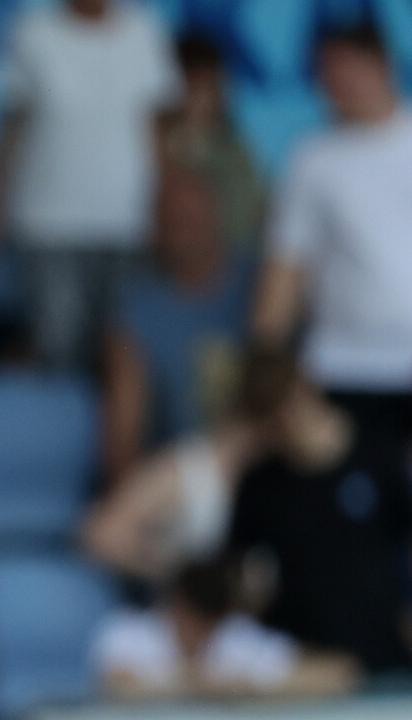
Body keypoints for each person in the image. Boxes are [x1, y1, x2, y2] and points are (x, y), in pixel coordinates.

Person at [85, 347, 412, 674]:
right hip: (262, 642)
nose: (284, 424)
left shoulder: (368, 456)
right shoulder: (240, 479)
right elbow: (101, 535)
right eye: (272, 417)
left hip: (361, 643)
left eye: (287, 410)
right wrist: (183, 570)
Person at [252, 23, 412, 477]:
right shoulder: (313, 159)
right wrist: (266, 359)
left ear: (382, 65)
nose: (340, 84)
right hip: (344, 369)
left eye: (349, 69)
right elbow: (286, 267)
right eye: (329, 74)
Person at [0, 0, 181, 370]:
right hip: (47, 224)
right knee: (56, 353)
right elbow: (11, 126)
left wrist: (163, 208)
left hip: (128, 223)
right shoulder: (32, 30)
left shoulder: (144, 30)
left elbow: (159, 131)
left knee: (123, 352)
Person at [102, 167, 256, 484]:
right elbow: (123, 433)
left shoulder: (261, 285)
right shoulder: (136, 308)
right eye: (172, 221)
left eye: (193, 218)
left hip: (262, 472)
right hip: (179, 479)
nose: (184, 230)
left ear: (218, 217)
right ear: (154, 229)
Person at [92, 555, 359, 700]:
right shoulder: (127, 631)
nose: (201, 633)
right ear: (177, 603)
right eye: (194, 617)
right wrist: (199, 686)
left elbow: (340, 673)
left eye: (210, 622)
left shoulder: (235, 636)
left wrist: (246, 685)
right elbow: (116, 688)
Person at [159, 35, 266, 253]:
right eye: (202, 86)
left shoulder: (233, 141)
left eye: (218, 85)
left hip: (243, 251)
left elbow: (258, 206)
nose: (215, 95)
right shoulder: (165, 143)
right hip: (191, 259)